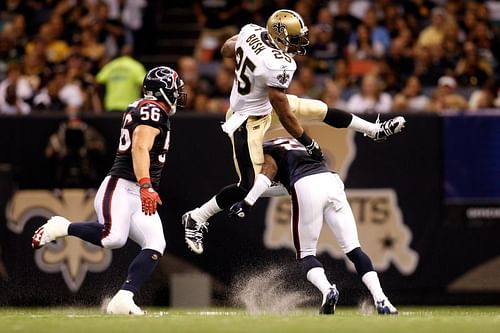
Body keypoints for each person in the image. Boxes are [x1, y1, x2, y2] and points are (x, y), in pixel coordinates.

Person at [183, 10, 406, 254]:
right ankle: (196, 217)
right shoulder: (278, 63)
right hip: (247, 120)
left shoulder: (252, 31)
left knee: (320, 109)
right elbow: (286, 114)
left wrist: (245, 52)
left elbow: (227, 48)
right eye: (294, 38)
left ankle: (373, 130)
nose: (299, 44)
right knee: (247, 186)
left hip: (264, 104)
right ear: (278, 36)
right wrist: (308, 142)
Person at [31, 66, 186, 315]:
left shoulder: (148, 108)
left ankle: (123, 298)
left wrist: (145, 186)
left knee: (156, 243)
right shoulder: (153, 110)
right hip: (122, 187)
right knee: (113, 238)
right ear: (164, 91)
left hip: (138, 191)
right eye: (175, 89)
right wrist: (146, 184)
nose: (179, 94)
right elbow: (138, 147)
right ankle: (62, 226)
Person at [228, 137, 399, 315]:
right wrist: (251, 193)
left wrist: (247, 202)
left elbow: (268, 173)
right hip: (331, 180)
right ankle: (382, 300)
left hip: (306, 185)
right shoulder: (293, 143)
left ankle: (327, 290)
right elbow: (286, 183)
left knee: (306, 254)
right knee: (354, 249)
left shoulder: (265, 149)